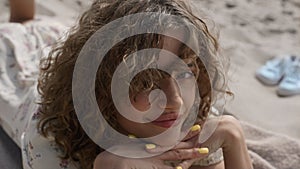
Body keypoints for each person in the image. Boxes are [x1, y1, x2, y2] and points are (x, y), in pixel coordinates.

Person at [0, 0, 254, 169]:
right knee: (19, 27)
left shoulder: (189, 117)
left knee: (32, 24)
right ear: (101, 92)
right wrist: (110, 165)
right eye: (146, 81)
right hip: (10, 65)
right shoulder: (51, 141)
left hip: (63, 43)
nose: (175, 101)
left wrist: (234, 136)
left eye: (185, 74)